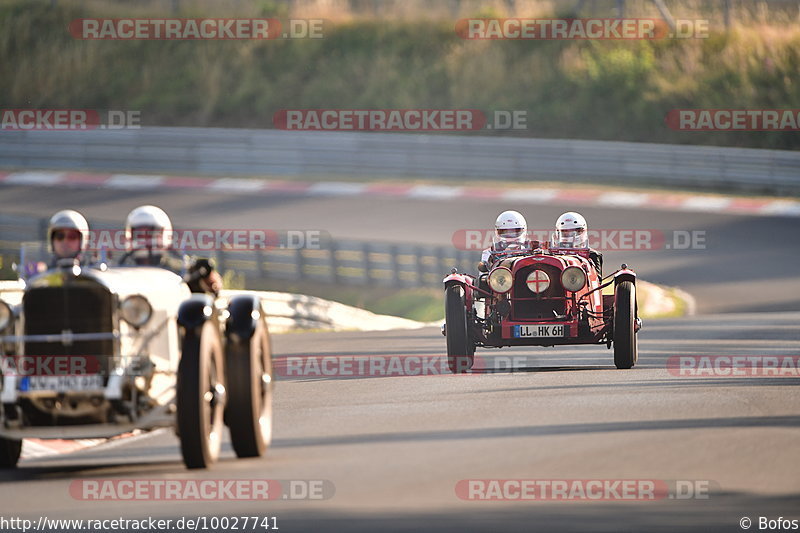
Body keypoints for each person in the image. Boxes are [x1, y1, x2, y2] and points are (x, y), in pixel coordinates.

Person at [119, 205, 222, 295]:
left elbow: (213, 287)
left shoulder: (180, 268)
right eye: (140, 235)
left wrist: (206, 278)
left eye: (152, 234)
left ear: (164, 235)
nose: (147, 242)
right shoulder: (121, 271)